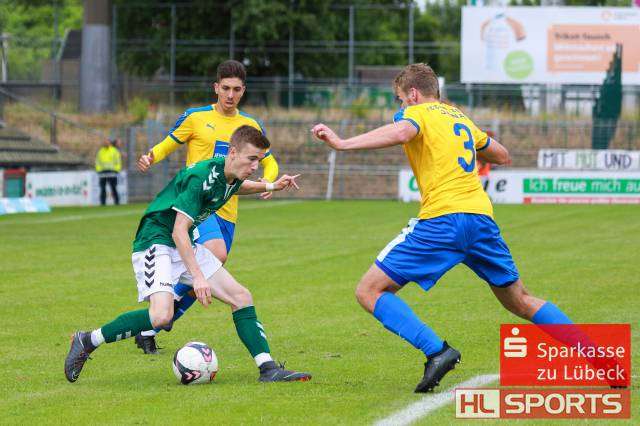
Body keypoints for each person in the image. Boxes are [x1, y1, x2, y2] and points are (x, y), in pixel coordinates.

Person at [311, 63, 576, 393]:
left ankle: (437, 351)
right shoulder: (459, 117)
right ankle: (602, 358)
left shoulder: (416, 113)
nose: (400, 106)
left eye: (400, 99)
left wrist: (342, 143)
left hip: (443, 220)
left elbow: (402, 132)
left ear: (413, 94)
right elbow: (502, 154)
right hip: (480, 219)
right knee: (520, 300)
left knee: (369, 291)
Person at [65, 125, 311, 384]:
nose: (255, 167)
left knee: (241, 297)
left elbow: (236, 187)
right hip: (156, 240)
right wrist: (198, 277)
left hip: (182, 241)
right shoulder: (201, 177)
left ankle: (268, 369)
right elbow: (178, 230)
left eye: (258, 161)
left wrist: (271, 185)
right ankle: (88, 340)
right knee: (161, 316)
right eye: (251, 159)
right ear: (233, 152)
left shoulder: (230, 173)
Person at [134, 59, 279, 354]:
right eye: (225, 88)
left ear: (243, 90)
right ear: (216, 87)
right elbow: (168, 143)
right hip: (197, 207)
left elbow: (269, 160)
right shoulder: (196, 117)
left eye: (236, 89)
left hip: (227, 209)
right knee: (216, 254)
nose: (230, 95)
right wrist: (151, 157)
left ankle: (155, 322)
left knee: (210, 268)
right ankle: (161, 313)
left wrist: (269, 181)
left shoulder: (250, 125)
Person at [95, 139, 122, 205]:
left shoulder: (114, 151)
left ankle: (117, 202)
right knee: (102, 188)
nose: (106, 143)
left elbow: (118, 161)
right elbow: (97, 162)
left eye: (107, 142)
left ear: (110, 143)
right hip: (103, 172)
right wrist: (98, 170)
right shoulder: (100, 151)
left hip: (112, 171)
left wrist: (117, 170)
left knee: (113, 187)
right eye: (105, 142)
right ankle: (103, 203)